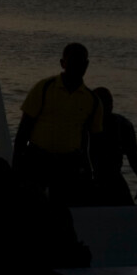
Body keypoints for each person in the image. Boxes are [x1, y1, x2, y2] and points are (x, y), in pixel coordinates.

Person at [13, 42, 102, 203]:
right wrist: (16, 167)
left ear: (87, 64)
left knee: (63, 208)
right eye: (73, 61)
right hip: (38, 159)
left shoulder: (92, 100)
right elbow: (24, 130)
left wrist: (94, 172)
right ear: (63, 63)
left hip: (69, 164)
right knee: (31, 205)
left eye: (81, 62)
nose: (77, 66)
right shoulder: (44, 88)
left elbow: (94, 142)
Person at [86, 87, 137, 206]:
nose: (108, 107)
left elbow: (133, 157)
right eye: (104, 104)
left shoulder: (122, 125)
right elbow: (133, 157)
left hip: (112, 179)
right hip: (95, 180)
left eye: (109, 103)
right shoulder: (85, 127)